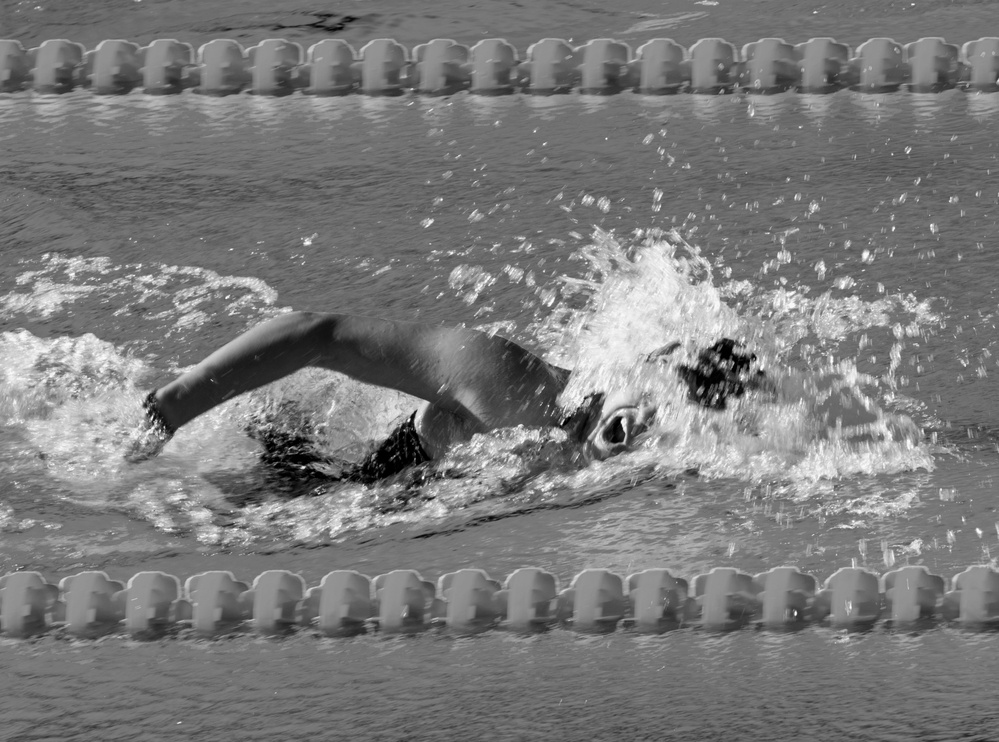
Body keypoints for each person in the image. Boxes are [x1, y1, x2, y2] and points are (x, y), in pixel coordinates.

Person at [126, 310, 767, 482]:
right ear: (641, 366)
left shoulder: (631, 454)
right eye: (637, 415)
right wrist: (174, 405)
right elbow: (317, 335)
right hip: (317, 487)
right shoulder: (506, 380)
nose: (633, 432)